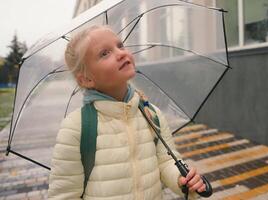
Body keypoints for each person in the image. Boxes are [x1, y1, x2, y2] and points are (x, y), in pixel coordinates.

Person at [48, 25, 206, 199]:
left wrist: (182, 180)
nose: (121, 53)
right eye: (104, 53)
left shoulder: (151, 114)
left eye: (120, 45)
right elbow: (64, 194)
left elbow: (166, 161)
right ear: (86, 79)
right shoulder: (76, 127)